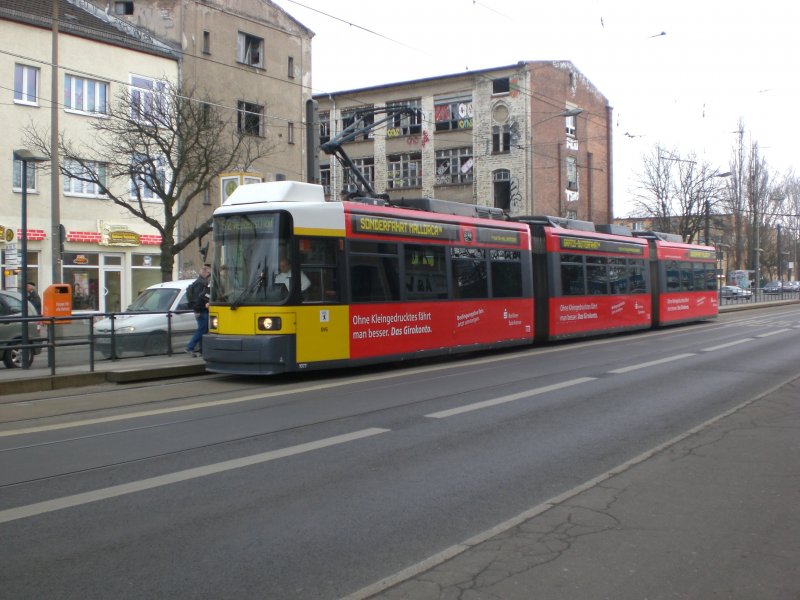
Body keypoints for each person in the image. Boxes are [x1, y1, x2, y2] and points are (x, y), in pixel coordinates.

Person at [185, 264, 211, 356]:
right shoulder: (201, 283)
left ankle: (201, 350)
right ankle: (190, 347)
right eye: (208, 272)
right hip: (201, 310)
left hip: (201, 309)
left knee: (203, 330)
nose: (209, 274)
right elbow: (198, 298)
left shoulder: (199, 282)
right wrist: (197, 310)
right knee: (202, 329)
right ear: (203, 272)